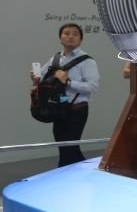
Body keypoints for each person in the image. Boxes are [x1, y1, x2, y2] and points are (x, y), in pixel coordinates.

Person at [30, 23, 101, 167]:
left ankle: (65, 173)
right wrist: (36, 79)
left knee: (68, 149)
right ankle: (84, 172)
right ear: (60, 38)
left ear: (80, 39)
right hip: (58, 108)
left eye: (75, 34)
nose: (70, 36)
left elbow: (93, 87)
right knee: (64, 148)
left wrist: (68, 82)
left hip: (76, 110)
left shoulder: (87, 61)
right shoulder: (55, 58)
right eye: (66, 33)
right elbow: (44, 79)